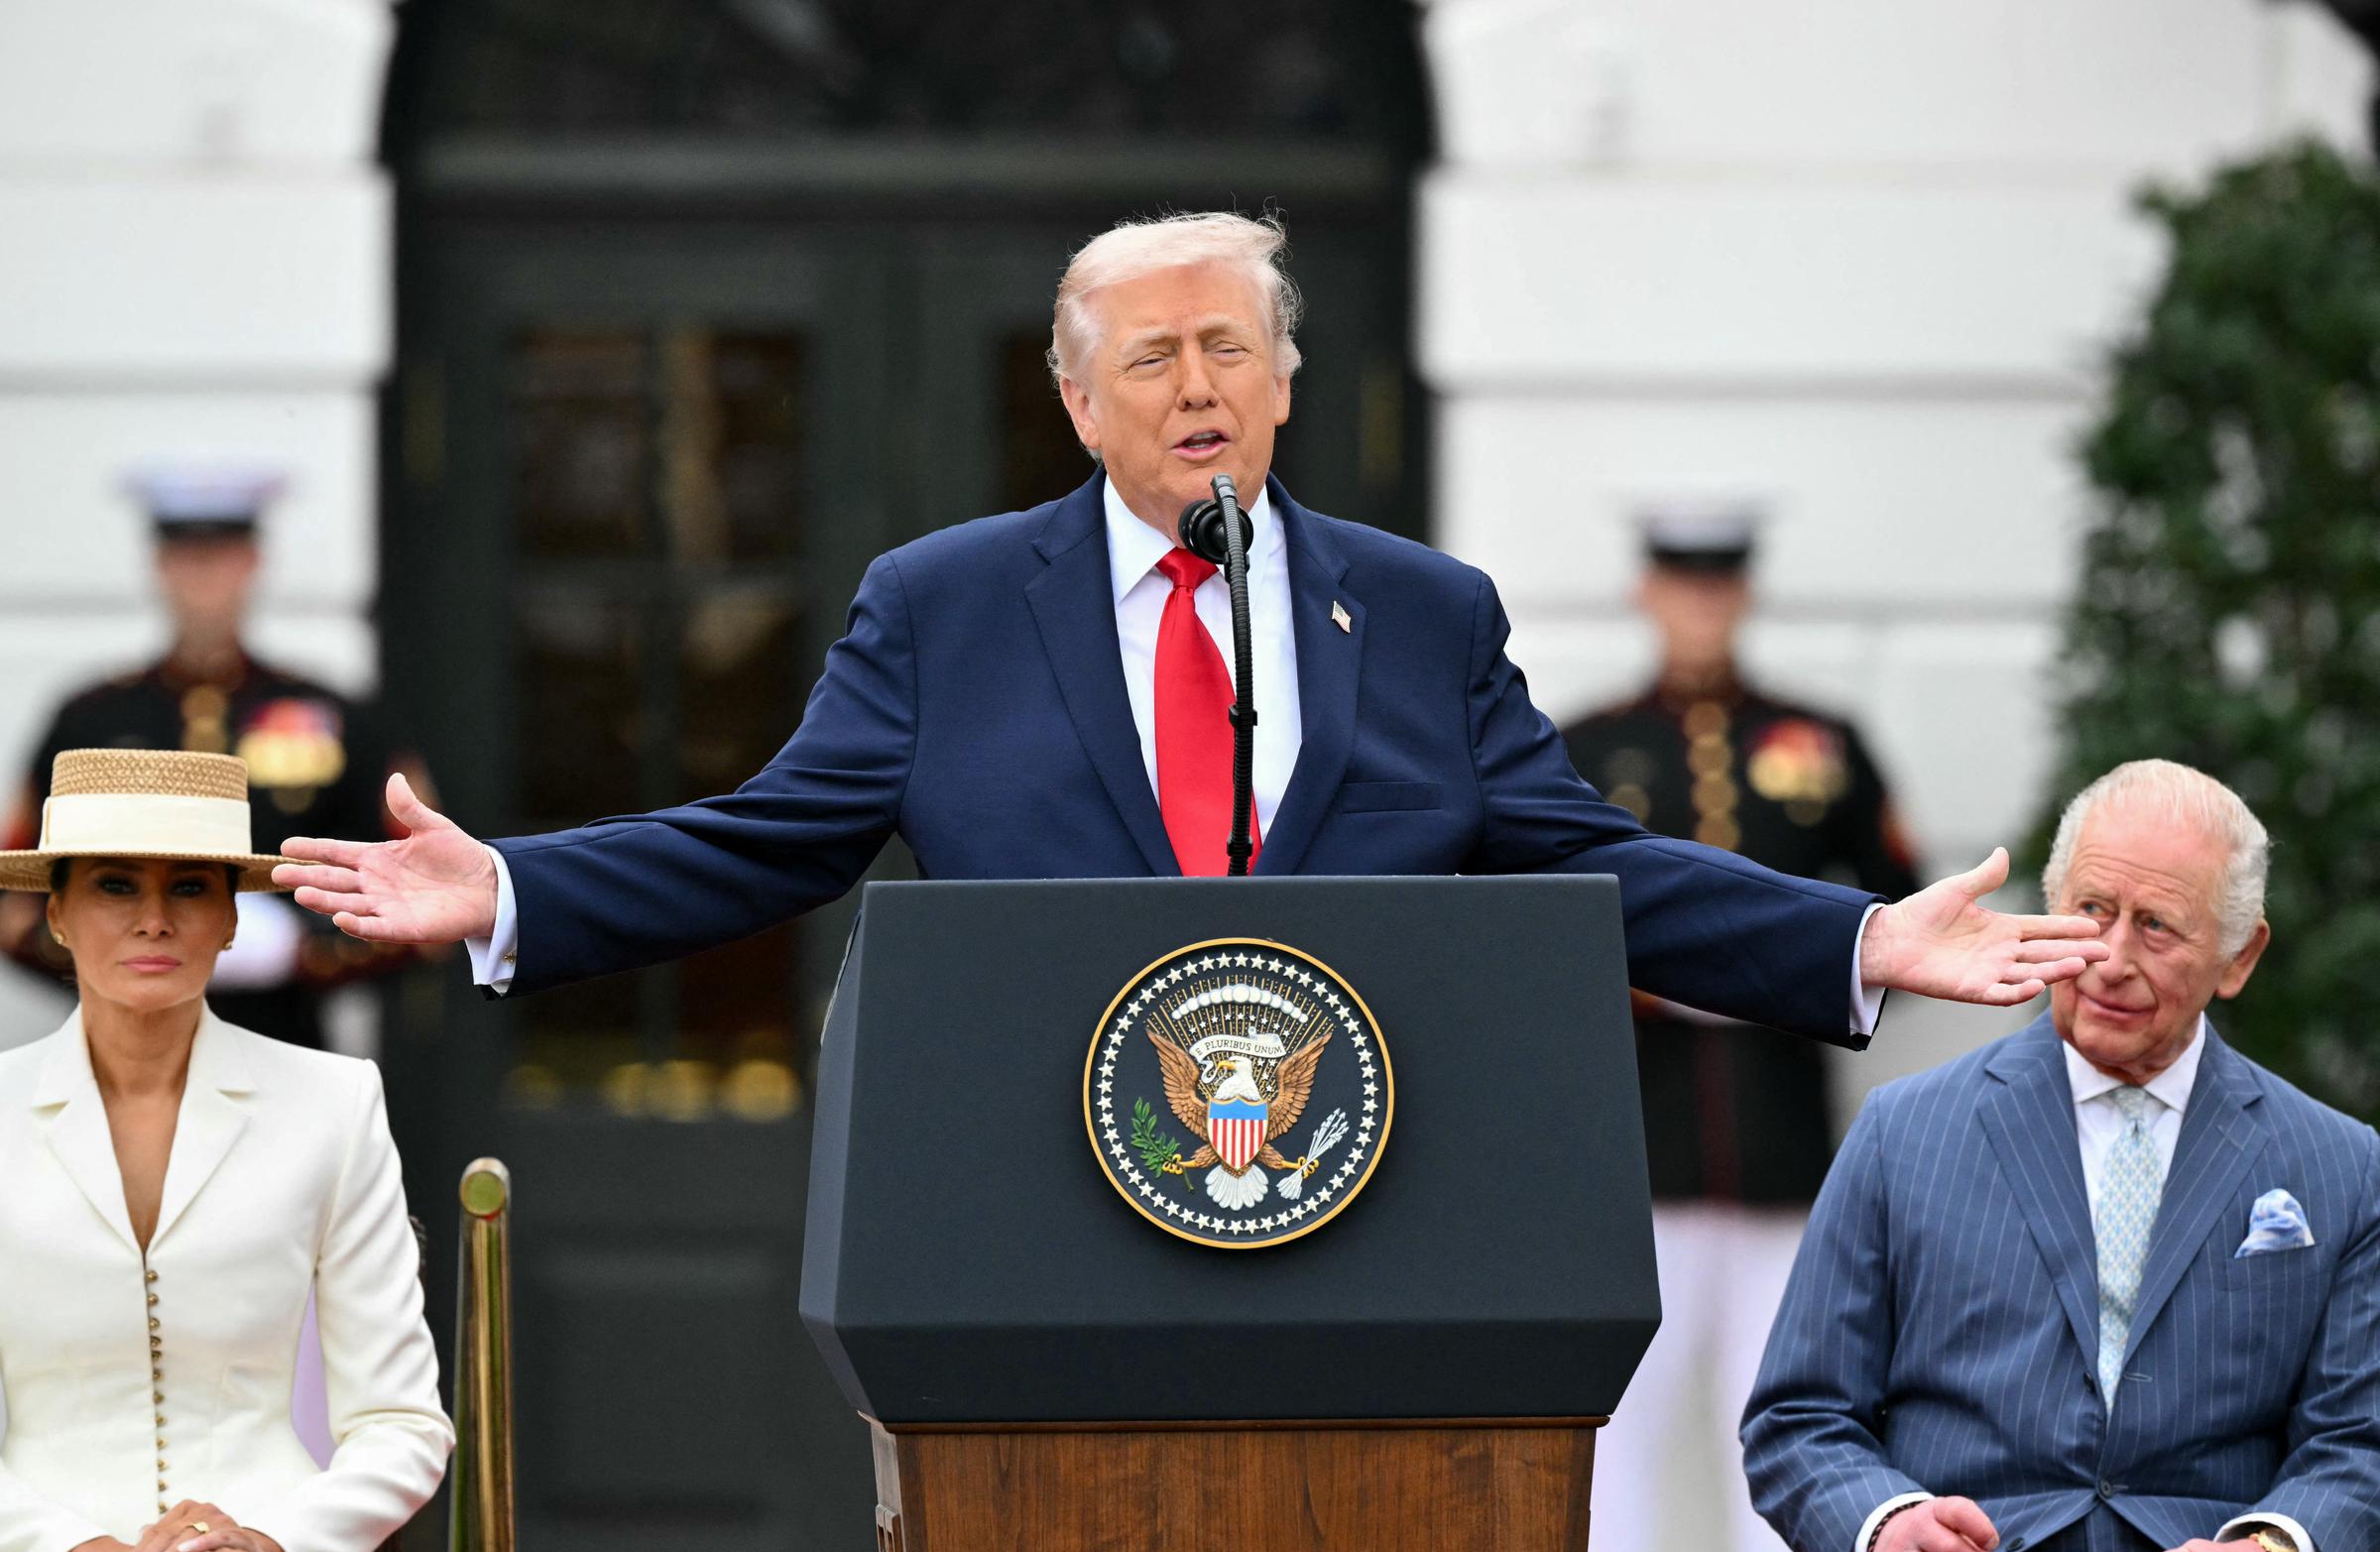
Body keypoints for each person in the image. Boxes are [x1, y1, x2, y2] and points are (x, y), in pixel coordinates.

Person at [275, 212, 2107, 1056]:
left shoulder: (1418, 609)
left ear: (1290, 378)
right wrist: (507, 890)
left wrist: (1860, 936)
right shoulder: (945, 605)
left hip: (1368, 1203)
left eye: (1232, 345)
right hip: (1030, 1204)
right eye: (1150, 357)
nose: (1197, 383)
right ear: (1079, 409)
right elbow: (769, 840)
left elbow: (1580, 861)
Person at [1743, 761, 2380, 1552]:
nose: (2111, 958)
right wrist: (1883, 1527)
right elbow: (1798, 1418)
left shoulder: (2339, 1163)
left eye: (2157, 926)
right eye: (2092, 912)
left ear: (2238, 956)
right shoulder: (1905, 1135)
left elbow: (2360, 1438)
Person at [1565, 506, 1921, 1552]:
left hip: (1781, 1156)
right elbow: (1534, 930)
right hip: (1639, 1158)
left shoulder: (1819, 741)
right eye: (1683, 587)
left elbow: (1901, 917)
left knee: (1788, 1430)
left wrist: (1811, 977)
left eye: (1718, 589)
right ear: (1647, 594)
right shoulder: (1585, 746)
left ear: (1745, 596)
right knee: (1609, 1438)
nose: (1701, 609)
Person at [0, 750, 452, 1552]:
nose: (154, 920)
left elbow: (402, 1422)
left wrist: (269, 1546)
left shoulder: (334, 1103)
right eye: (114, 884)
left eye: (189, 887)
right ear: (55, 912)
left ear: (233, 918)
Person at [0, 466, 426, 1051]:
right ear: (160, 565)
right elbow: (17, 901)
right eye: (187, 555)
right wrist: (107, 948)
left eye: (222, 554)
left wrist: (302, 949)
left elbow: (416, 892)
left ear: (253, 562)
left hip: (286, 1043)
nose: (204, 577)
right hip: (121, 1043)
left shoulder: (337, 715)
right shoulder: (89, 717)